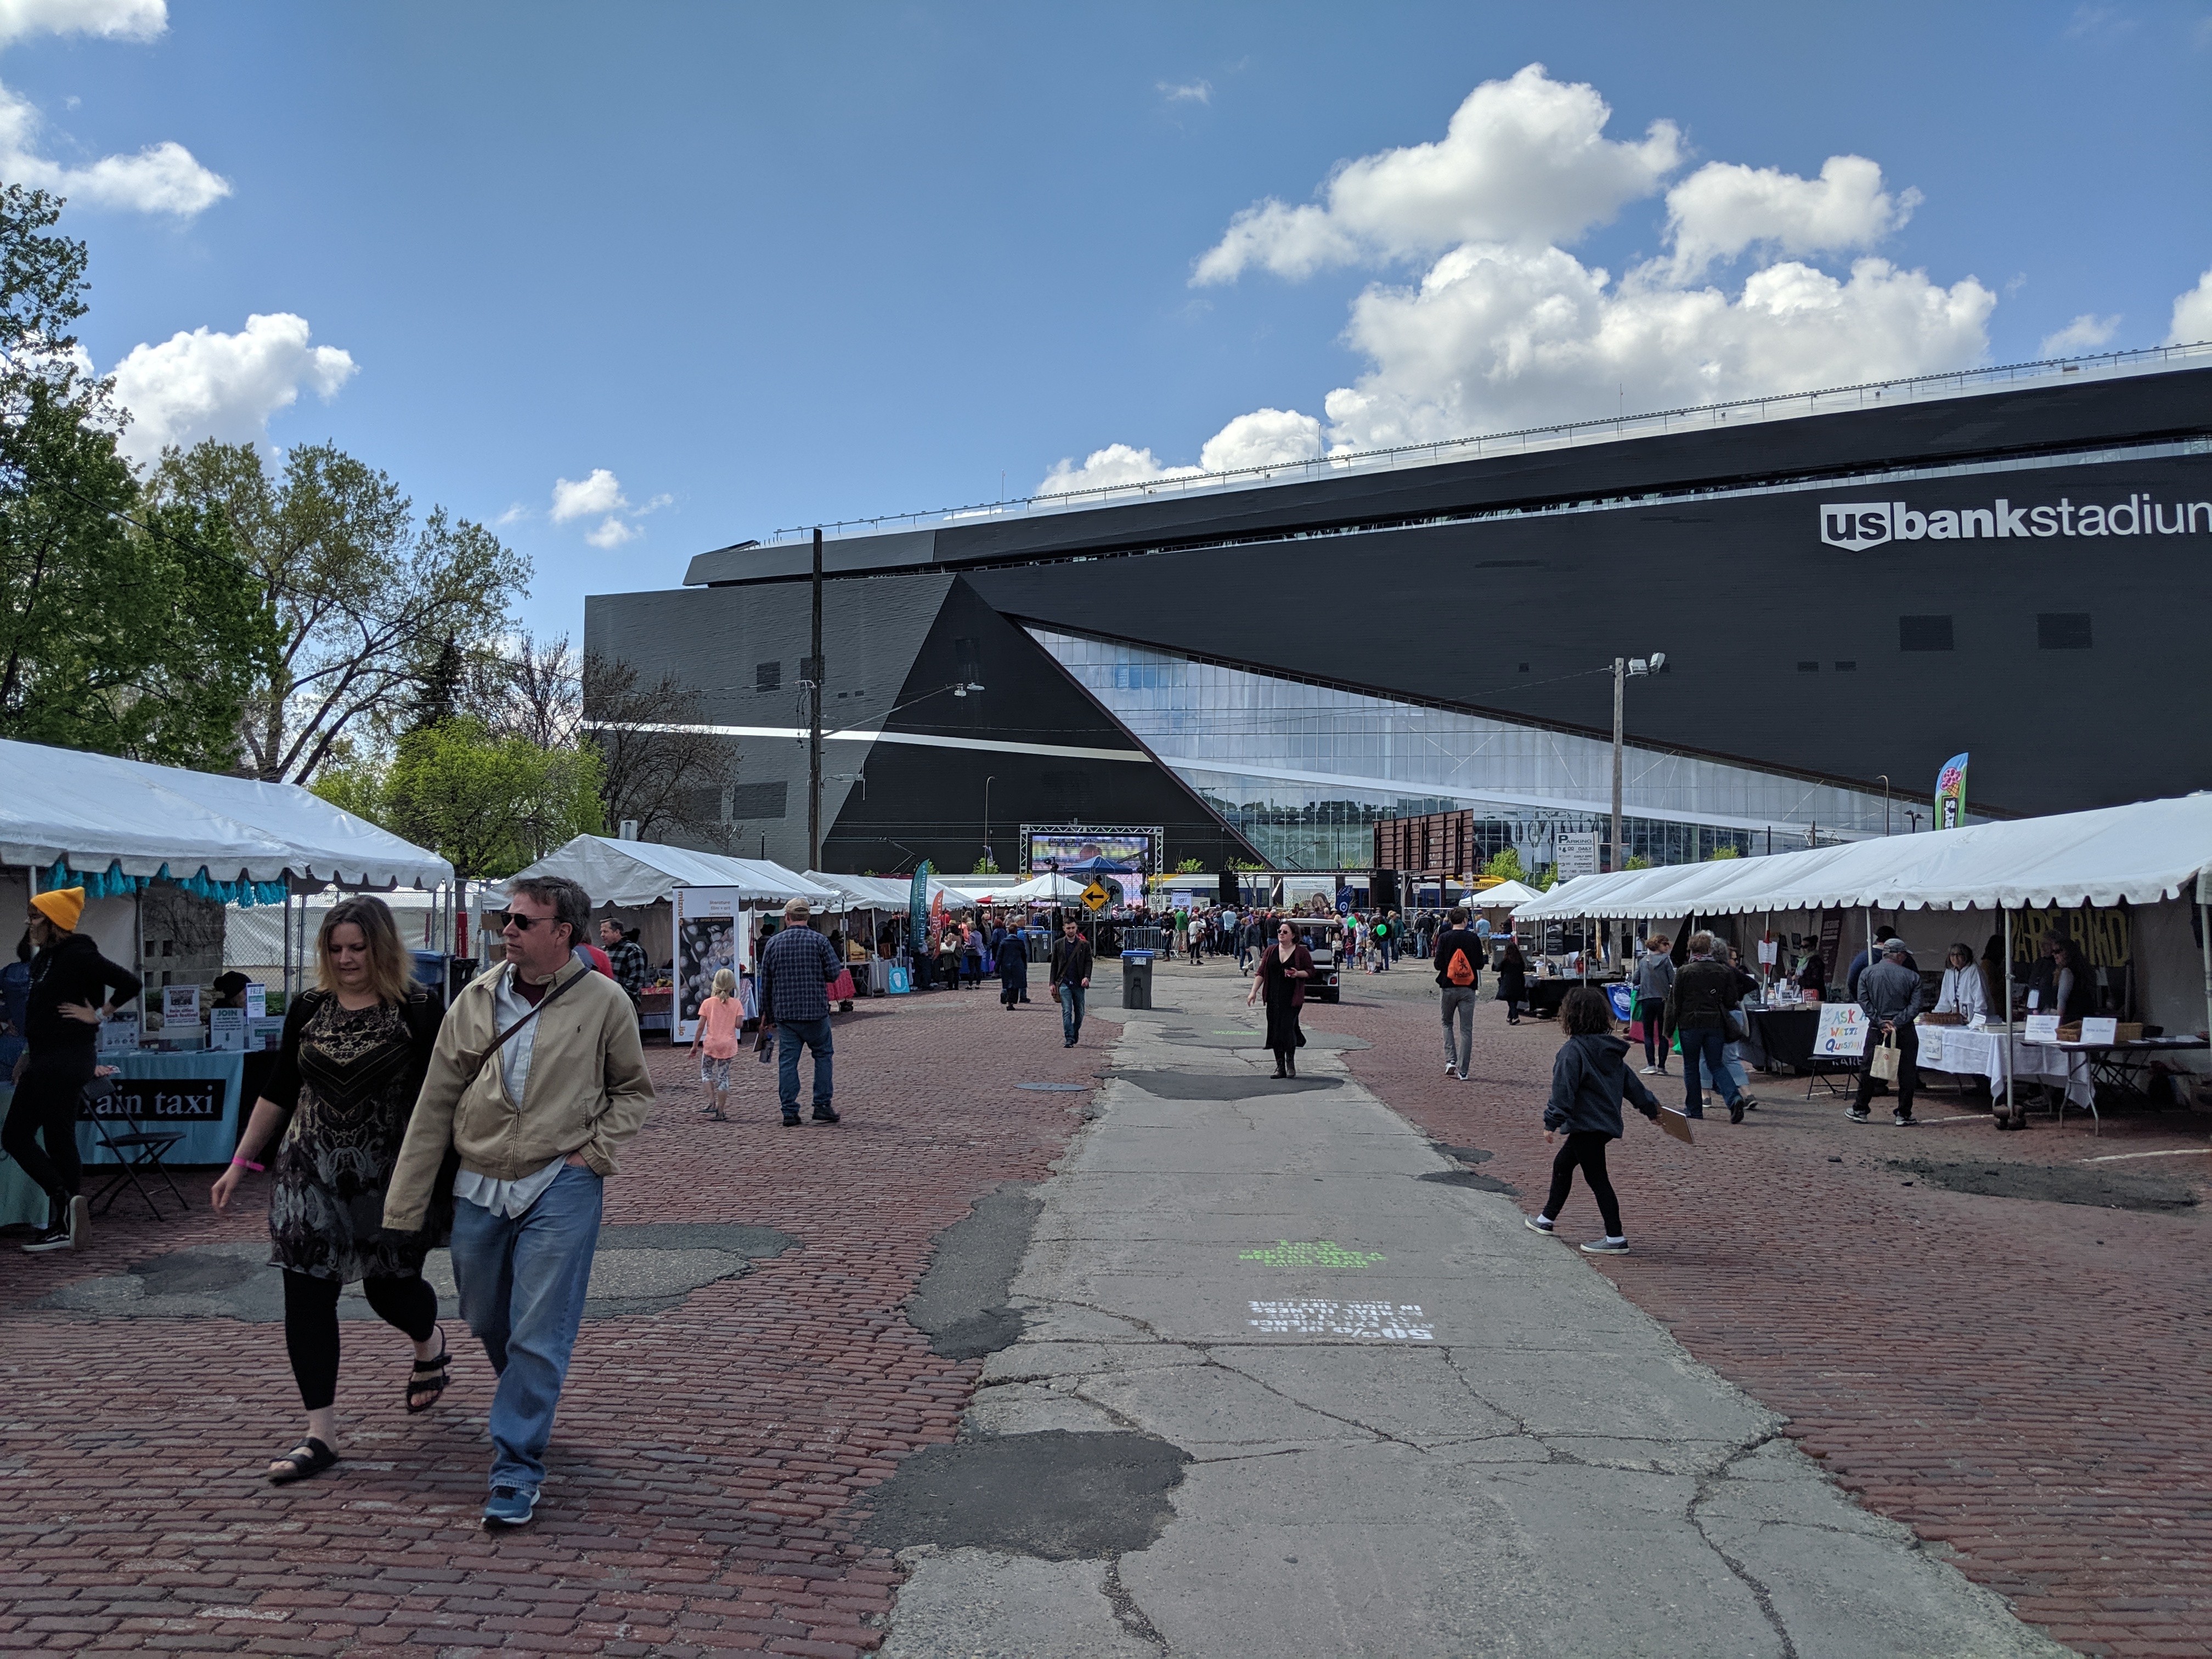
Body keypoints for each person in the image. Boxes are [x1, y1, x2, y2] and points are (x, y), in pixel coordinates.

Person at [382, 873, 654, 1529]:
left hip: (559, 1181)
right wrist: (403, 1207)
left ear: (564, 933)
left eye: (524, 921)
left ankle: (516, 1465)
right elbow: (435, 1104)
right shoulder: (474, 999)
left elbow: (634, 1091)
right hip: (478, 1181)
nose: (508, 929)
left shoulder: (605, 1001)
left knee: (540, 1327)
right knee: (484, 1316)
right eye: (507, 918)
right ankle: (528, 1396)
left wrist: (592, 1156)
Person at [210, 896, 450, 1486]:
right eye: (336, 949)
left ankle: (430, 1342)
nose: (346, 959)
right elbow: (280, 1089)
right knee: (307, 1297)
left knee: (390, 1293)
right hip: (306, 1173)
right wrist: (241, 1161)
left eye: (357, 948)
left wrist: (450, 1174)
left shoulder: (418, 1009)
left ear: (382, 947)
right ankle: (320, 1433)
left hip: (389, 1177)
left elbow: (444, 1096)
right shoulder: (309, 1008)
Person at [7, 887, 141, 1254]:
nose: (29, 922)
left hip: (66, 1059)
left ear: (55, 923)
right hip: (47, 1057)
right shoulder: (44, 959)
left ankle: (65, 1206)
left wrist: (98, 1014)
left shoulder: (79, 952)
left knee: (19, 1135)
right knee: (55, 1138)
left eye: (35, 917)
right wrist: (27, 1054)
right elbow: (40, 1015)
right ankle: (67, 1220)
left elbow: (130, 982)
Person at [1524, 985, 1662, 1255]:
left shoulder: (1572, 1051)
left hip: (1588, 1124)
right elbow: (1632, 1086)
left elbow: (1563, 1090)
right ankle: (1546, 1219)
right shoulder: (1611, 1051)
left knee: (1598, 1179)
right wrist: (1651, 1110)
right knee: (1563, 1164)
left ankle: (1615, 1238)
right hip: (1602, 1125)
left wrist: (1551, 1121)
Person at [760, 900, 844, 1126]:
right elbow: (834, 973)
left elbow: (766, 983)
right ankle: (822, 1105)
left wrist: (766, 1014)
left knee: (788, 1061)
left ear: (787, 917)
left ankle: (789, 1110)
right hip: (815, 1011)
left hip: (786, 1014)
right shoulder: (819, 941)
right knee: (823, 1056)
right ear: (808, 917)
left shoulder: (774, 944)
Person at [1664, 933, 1748, 1123]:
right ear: (1710, 949)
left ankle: (1694, 1109)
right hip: (1715, 1024)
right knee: (1716, 1064)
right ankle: (1734, 1097)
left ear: (1692, 950)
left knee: (1691, 1066)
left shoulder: (1684, 972)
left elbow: (1674, 1002)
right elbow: (1730, 999)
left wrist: (1668, 1029)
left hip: (1690, 1024)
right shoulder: (1723, 971)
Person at [1850, 939, 1924, 1127]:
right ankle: (1904, 1113)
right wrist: (1897, 1023)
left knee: (1869, 1069)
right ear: (1899, 955)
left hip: (1877, 1028)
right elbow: (1916, 1006)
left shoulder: (1867, 973)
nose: (1906, 958)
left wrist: (1880, 1021)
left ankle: (1860, 1108)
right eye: (1905, 955)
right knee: (1907, 1071)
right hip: (1904, 1029)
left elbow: (1863, 1000)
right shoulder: (1912, 977)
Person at [1248, 919, 1314, 1079]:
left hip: (1292, 998)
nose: (1281, 934)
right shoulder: (1271, 950)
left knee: (1287, 1029)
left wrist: (1297, 974)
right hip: (1273, 997)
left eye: (1285, 932)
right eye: (1280, 932)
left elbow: (1311, 971)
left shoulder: (1301, 952)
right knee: (1275, 1031)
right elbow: (1261, 973)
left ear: (1293, 935)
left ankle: (1290, 1063)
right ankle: (1280, 1067)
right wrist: (1253, 992)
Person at [1433, 907, 1485, 1081]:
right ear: (1464, 920)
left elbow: (1438, 964)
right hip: (1468, 987)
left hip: (1448, 986)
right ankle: (1464, 1071)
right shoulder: (1473, 938)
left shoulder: (1445, 938)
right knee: (1466, 1030)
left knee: (1446, 1023)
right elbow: (1480, 964)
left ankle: (1451, 1060)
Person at [689, 967, 742, 1120]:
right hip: (728, 1045)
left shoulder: (707, 1003)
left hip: (711, 1044)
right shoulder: (736, 1003)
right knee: (723, 1076)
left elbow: (700, 1027)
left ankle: (711, 1101)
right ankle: (721, 1110)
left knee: (706, 1071)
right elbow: (738, 1025)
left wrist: (694, 1046)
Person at [1629, 935, 1676, 1076]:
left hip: (1646, 999)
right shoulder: (1666, 961)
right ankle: (1662, 1066)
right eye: (1666, 944)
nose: (1668, 947)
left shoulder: (1643, 961)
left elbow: (1635, 980)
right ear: (1659, 945)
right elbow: (1673, 981)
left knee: (1648, 1034)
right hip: (1663, 1000)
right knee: (1664, 1034)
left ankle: (1651, 1065)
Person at [1049, 917, 1093, 1048]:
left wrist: (1087, 977)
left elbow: (1088, 962)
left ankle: (1074, 1032)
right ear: (1064, 929)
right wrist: (1052, 983)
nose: (1071, 930)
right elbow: (1054, 964)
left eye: (1073, 928)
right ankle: (1069, 1038)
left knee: (1080, 1012)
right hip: (1064, 983)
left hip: (1079, 983)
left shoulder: (1084, 944)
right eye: (1068, 928)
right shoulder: (1058, 944)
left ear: (1076, 928)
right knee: (1067, 1011)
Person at [599, 919, 648, 1018]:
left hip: (625, 1004)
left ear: (617, 932)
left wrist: (619, 997)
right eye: (601, 932)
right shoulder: (602, 951)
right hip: (604, 1004)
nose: (602, 935)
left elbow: (636, 980)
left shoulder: (632, 949)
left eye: (605, 931)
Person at [1933, 943, 1988, 1028]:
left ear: (1966, 956)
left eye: (1959, 955)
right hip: (1958, 1020)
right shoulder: (1949, 972)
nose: (1955, 958)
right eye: (1953, 955)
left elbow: (1980, 998)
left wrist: (1977, 1021)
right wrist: (1935, 1016)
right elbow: (1944, 999)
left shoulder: (1974, 970)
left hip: (1974, 1020)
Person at [997, 918, 1029, 1009]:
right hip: (1017, 965)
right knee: (1015, 985)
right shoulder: (1019, 943)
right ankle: (1011, 1002)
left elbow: (999, 956)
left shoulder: (1004, 942)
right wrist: (1025, 965)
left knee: (1007, 984)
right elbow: (1024, 955)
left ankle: (1008, 1000)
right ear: (1016, 931)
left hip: (1006, 966)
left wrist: (996, 968)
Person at [1497, 939, 1528, 1025]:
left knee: (1511, 1001)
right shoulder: (1520, 961)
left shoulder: (1506, 961)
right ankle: (1510, 1017)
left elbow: (1497, 968)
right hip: (1519, 983)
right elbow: (1523, 969)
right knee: (1514, 1001)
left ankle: (1515, 1017)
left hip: (1508, 983)